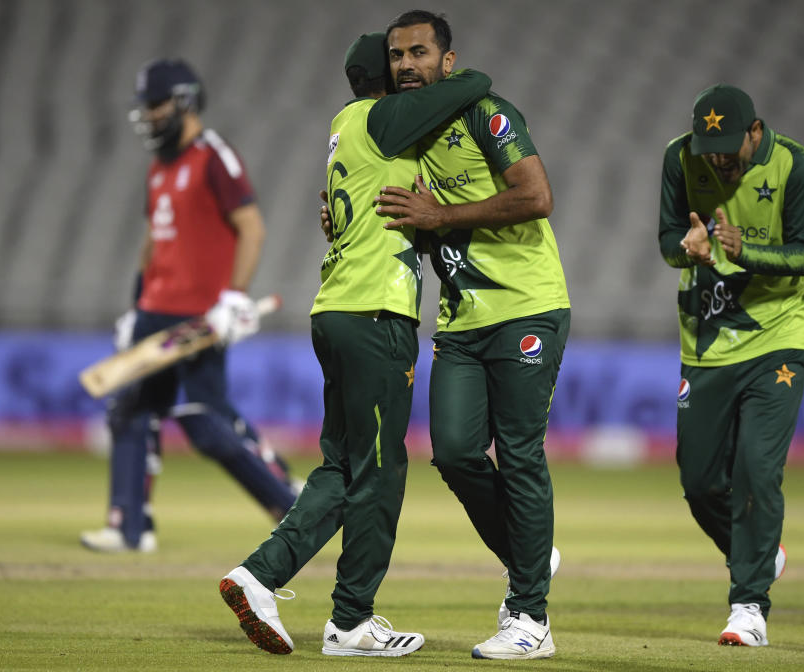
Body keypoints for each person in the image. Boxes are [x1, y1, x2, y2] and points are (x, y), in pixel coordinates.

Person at [217, 34, 492, 657]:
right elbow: (475, 85)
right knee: (379, 474)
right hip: (375, 315)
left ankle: (259, 575)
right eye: (401, 64)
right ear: (387, 83)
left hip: (338, 310)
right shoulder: (383, 119)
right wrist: (452, 69)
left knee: (342, 466)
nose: (411, 72)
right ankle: (351, 620)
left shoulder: (348, 128)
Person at [373, 10, 570, 660]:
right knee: (455, 453)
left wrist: (441, 212)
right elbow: (409, 218)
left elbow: (537, 195)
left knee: (518, 453)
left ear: (447, 63)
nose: (406, 65)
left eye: (419, 52)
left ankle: (530, 618)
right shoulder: (403, 137)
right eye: (397, 55)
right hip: (459, 321)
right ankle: (531, 554)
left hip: (526, 307)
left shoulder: (487, 114)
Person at [80, 58, 299, 553]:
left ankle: (288, 504)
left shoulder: (213, 156)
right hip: (156, 310)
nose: (149, 116)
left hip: (199, 316)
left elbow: (253, 228)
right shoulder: (160, 166)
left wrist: (233, 298)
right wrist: (137, 306)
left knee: (204, 419)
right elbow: (153, 243)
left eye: (156, 105)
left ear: (183, 102)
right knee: (131, 411)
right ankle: (129, 527)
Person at [657, 84, 804, 646]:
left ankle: (748, 606)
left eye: (731, 146)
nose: (719, 159)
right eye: (712, 148)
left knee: (757, 467)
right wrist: (691, 249)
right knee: (700, 481)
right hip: (706, 340)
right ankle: (758, 553)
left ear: (756, 131)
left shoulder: (794, 164)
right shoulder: (680, 156)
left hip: (777, 336)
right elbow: (665, 241)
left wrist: (739, 249)